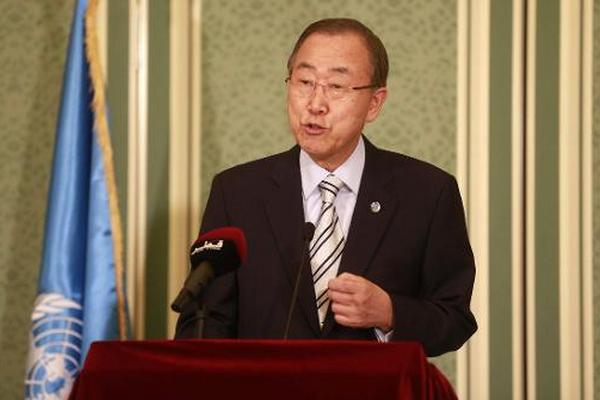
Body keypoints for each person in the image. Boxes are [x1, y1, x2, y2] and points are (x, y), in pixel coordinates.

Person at [175, 18, 477, 357]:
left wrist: (390, 313)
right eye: (304, 81)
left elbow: (455, 318)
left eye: (336, 86)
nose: (315, 103)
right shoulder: (237, 193)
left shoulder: (427, 193)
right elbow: (203, 320)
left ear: (374, 103)